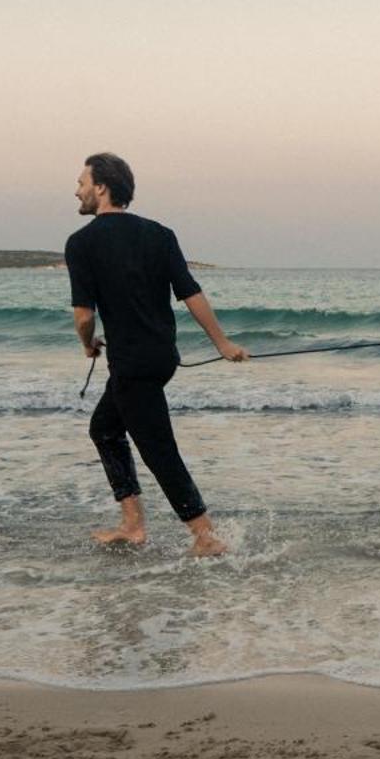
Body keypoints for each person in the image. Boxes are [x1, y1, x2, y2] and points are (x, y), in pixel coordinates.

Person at [67, 153, 246, 556]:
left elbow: (83, 316)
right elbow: (191, 293)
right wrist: (222, 343)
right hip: (161, 357)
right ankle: (132, 523)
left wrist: (86, 342)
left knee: (157, 449)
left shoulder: (81, 243)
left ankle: (205, 536)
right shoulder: (160, 234)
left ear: (101, 187)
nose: (76, 190)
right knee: (105, 428)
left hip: (131, 364)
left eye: (81, 182)